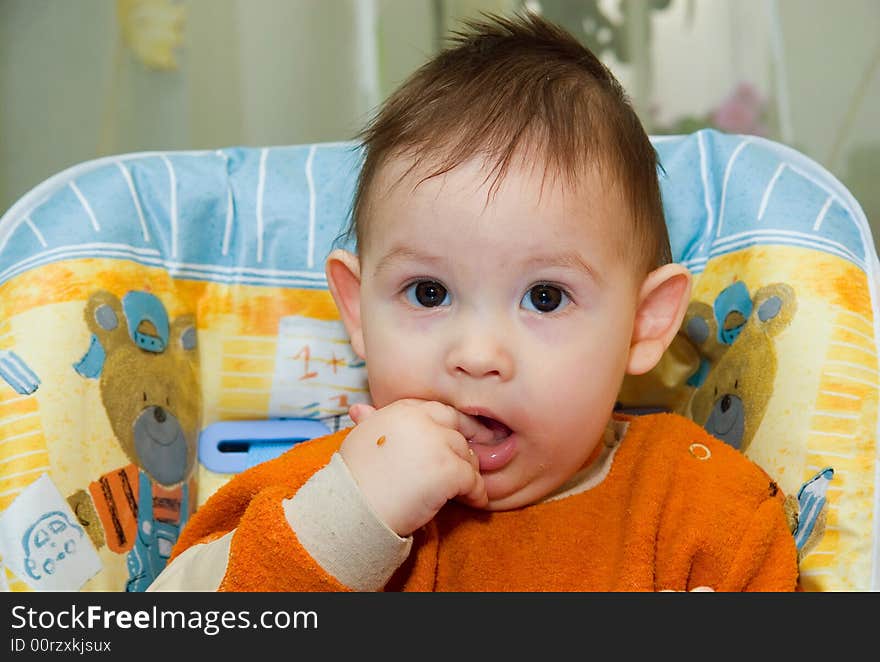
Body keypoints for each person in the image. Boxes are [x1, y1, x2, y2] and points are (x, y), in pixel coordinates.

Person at [149, 11, 798, 592]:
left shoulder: (702, 509)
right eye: (428, 292)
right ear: (357, 311)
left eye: (545, 297)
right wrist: (346, 525)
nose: (477, 355)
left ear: (643, 323)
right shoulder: (321, 492)